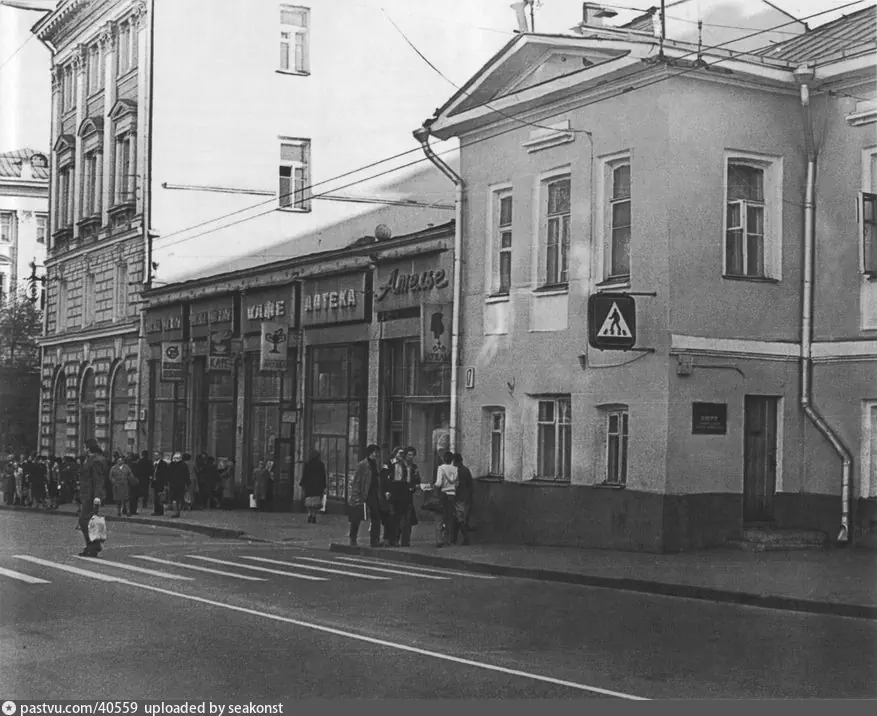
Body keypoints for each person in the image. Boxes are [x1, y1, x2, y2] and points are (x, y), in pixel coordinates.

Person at [77, 439, 108, 557]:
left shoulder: (96, 461)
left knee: (84, 521)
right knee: (89, 521)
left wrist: (97, 496)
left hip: (91, 496)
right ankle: (92, 547)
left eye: (85, 447)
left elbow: (98, 479)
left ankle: (94, 545)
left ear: (88, 448)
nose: (84, 450)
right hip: (87, 494)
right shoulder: (91, 459)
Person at [348, 444, 382, 548]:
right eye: (374, 452)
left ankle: (374, 540)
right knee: (357, 517)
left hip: (373, 493)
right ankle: (353, 538)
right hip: (364, 493)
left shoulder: (377, 464)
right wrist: (356, 495)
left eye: (377, 452)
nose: (376, 454)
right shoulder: (363, 465)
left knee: (376, 516)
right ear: (370, 453)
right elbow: (357, 481)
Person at [380, 447, 414, 547]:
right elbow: (384, 478)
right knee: (390, 516)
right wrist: (386, 491)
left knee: (398, 516)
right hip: (391, 491)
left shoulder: (403, 465)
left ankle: (394, 539)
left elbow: (405, 478)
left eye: (403, 454)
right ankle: (388, 539)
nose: (401, 455)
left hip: (401, 492)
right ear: (395, 453)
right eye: (399, 453)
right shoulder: (389, 463)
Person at [433, 451, 458, 548]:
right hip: (452, 494)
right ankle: (448, 539)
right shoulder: (455, 469)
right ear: (452, 460)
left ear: (443, 459)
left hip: (443, 495)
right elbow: (456, 483)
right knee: (449, 517)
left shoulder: (441, 468)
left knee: (439, 517)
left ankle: (440, 540)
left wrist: (433, 487)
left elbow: (439, 483)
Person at [300, 449, 327, 524]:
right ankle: (314, 515)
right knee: (315, 503)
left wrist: (302, 484)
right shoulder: (321, 464)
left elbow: (304, 475)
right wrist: (324, 486)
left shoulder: (307, 464)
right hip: (317, 486)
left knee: (309, 502)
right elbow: (323, 476)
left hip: (309, 486)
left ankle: (309, 515)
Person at [452, 453, 473, 546]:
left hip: (458, 497)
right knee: (459, 517)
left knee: (459, 517)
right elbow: (471, 484)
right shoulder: (466, 470)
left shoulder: (456, 470)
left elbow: (456, 484)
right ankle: (454, 538)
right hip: (466, 497)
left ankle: (465, 537)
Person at [167, 453, 189, 518]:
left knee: (176, 498)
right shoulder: (183, 465)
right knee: (177, 499)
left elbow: (168, 475)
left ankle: (176, 511)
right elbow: (186, 475)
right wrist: (187, 483)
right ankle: (177, 511)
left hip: (176, 484)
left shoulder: (172, 465)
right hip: (178, 484)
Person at [151, 451, 169, 516]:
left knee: (160, 497)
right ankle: (156, 510)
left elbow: (165, 474)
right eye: (154, 455)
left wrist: (165, 483)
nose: (155, 456)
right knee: (156, 497)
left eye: (157, 455)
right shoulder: (154, 463)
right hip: (155, 482)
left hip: (160, 482)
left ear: (160, 456)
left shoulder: (163, 464)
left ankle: (160, 511)